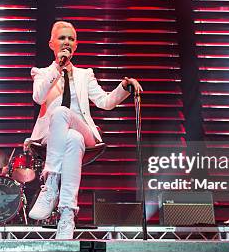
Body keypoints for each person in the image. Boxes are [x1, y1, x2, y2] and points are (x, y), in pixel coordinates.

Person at [28, 21, 143, 239]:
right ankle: (67, 215)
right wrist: (58, 68)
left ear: (76, 45)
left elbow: (105, 102)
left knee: (64, 114)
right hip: (52, 137)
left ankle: (51, 183)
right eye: (62, 38)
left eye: (71, 39)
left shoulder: (84, 75)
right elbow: (38, 97)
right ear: (51, 43)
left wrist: (124, 87)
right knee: (71, 139)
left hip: (85, 130)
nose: (67, 42)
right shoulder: (43, 73)